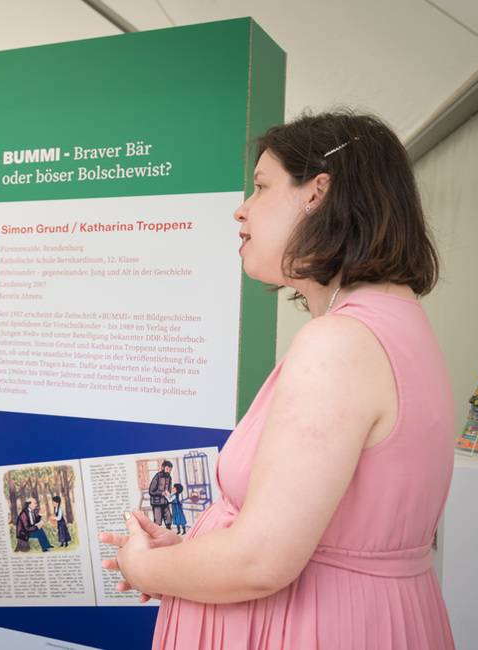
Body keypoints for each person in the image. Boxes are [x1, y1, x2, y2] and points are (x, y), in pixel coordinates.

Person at [100, 110, 456, 648]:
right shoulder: (399, 324)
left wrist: (141, 566)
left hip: (313, 625)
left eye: (261, 186)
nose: (241, 209)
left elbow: (261, 560)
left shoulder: (338, 344)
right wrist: (194, 557)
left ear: (317, 193)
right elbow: (317, 535)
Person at [148, 460, 173, 529]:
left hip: (165, 502)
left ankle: (169, 536)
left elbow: (169, 489)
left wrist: (170, 494)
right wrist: (161, 493)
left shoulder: (169, 478)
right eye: (167, 469)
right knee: (158, 522)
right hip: (157, 503)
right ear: (163, 467)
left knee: (169, 519)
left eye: (170, 470)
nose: (168, 471)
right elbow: (151, 491)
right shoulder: (157, 476)